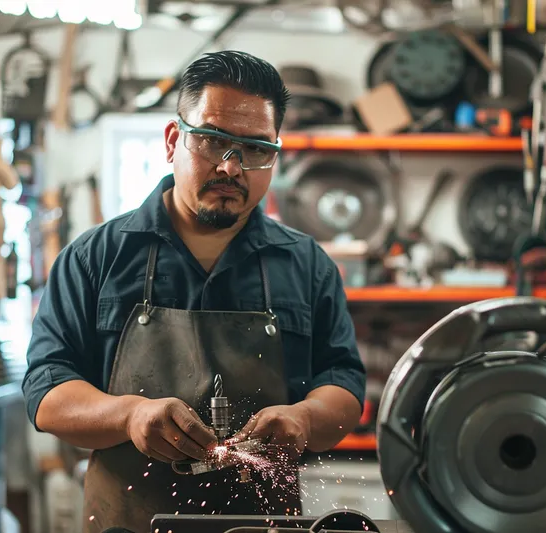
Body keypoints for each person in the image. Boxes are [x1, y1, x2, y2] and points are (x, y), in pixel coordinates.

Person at [22, 50, 366, 533]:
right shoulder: (94, 258)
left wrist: (305, 419)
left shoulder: (307, 266)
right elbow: (46, 392)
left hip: (263, 524)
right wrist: (128, 415)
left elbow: (346, 387)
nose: (230, 168)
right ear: (172, 140)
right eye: (212, 141)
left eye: (255, 149)